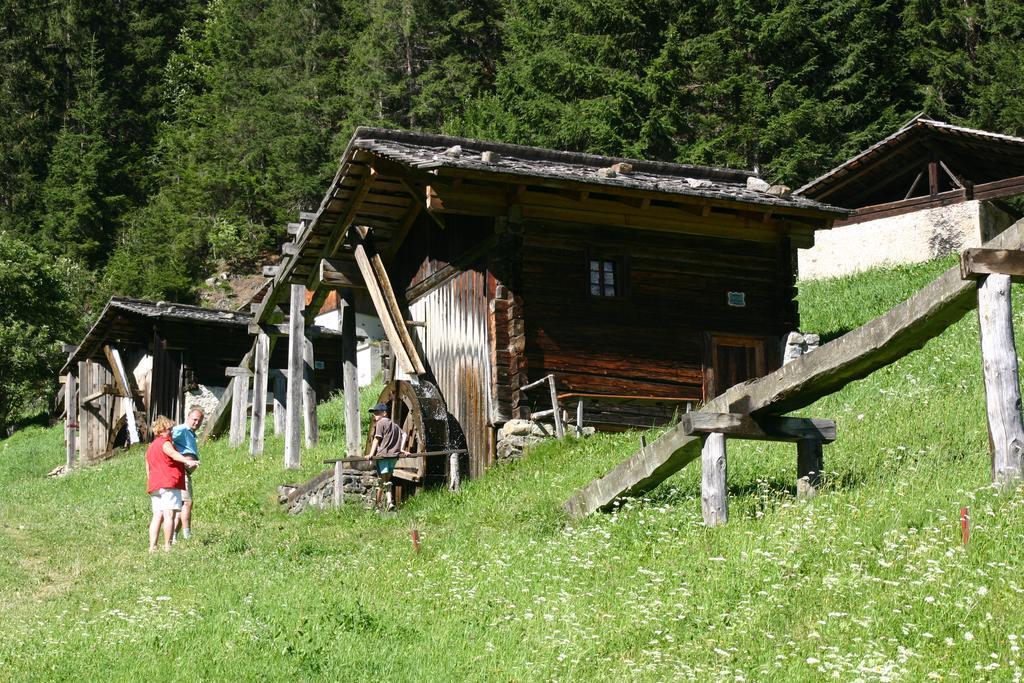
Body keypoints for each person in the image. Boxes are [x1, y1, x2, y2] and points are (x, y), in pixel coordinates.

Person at [146, 415, 198, 552]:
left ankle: (152, 547)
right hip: (168, 483)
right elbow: (173, 454)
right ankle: (168, 546)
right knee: (169, 514)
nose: (171, 431)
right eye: (169, 429)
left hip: (155, 485)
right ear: (162, 430)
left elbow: (148, 468)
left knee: (157, 515)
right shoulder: (165, 442)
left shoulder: (150, 448)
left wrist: (151, 481)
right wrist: (188, 461)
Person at [172, 407, 204, 540]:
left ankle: (173, 537)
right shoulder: (182, 429)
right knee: (187, 503)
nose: (197, 423)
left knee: (181, 506)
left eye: (200, 421)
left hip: (185, 472)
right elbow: (166, 439)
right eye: (194, 419)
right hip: (181, 470)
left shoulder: (190, 433)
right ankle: (187, 535)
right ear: (188, 417)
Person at [367, 402, 406, 510]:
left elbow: (377, 438)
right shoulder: (395, 425)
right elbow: (404, 434)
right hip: (393, 457)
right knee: (385, 480)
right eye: (374, 413)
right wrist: (401, 449)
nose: (375, 416)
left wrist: (371, 454)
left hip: (383, 457)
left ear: (384, 413)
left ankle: (382, 505)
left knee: (381, 481)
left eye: (377, 413)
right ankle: (385, 503)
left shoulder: (381, 423)